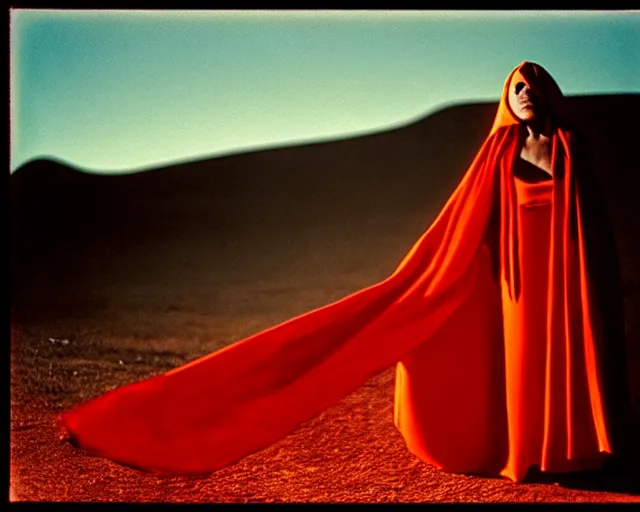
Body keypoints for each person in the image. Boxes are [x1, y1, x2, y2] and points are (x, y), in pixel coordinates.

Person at [58, 61, 634, 483]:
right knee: (524, 363)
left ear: (551, 94)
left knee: (565, 357)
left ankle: (571, 449)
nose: (527, 93)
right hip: (514, 282)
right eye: (517, 87)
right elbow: (463, 223)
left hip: (566, 277)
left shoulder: (570, 146)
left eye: (534, 87)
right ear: (507, 99)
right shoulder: (496, 153)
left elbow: (594, 229)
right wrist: (431, 283)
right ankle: (530, 453)